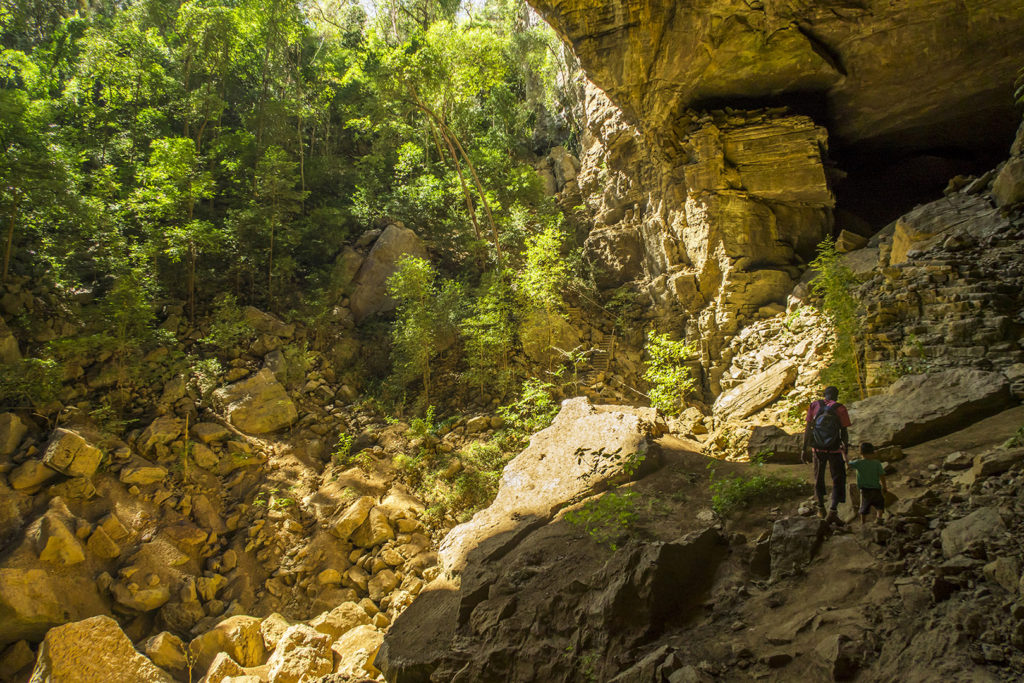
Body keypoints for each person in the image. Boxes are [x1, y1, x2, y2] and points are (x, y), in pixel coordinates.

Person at [802, 385, 851, 523]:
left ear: (825, 395)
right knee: (838, 478)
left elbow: (808, 428)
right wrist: (845, 449)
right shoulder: (840, 408)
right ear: (837, 396)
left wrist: (804, 449)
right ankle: (833, 511)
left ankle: (820, 508)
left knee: (818, 477)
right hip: (834, 449)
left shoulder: (814, 405)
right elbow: (844, 432)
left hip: (817, 449)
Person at [848, 442, 887, 525]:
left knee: (864, 506)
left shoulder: (858, 463)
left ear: (861, 453)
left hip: (865, 490)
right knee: (880, 504)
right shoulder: (877, 463)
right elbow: (882, 475)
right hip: (876, 489)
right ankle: (879, 518)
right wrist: (884, 486)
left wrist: (845, 456)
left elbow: (848, 465)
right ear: (872, 452)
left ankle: (863, 523)